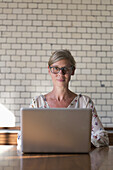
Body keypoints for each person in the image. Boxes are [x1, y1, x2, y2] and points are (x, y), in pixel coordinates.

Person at [29, 49, 109, 148]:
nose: (61, 73)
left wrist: (75, 143)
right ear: (49, 70)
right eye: (56, 68)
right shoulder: (37, 103)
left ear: (72, 71)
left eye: (65, 69)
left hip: (78, 161)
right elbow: (22, 139)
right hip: (45, 160)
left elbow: (103, 137)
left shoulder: (84, 102)